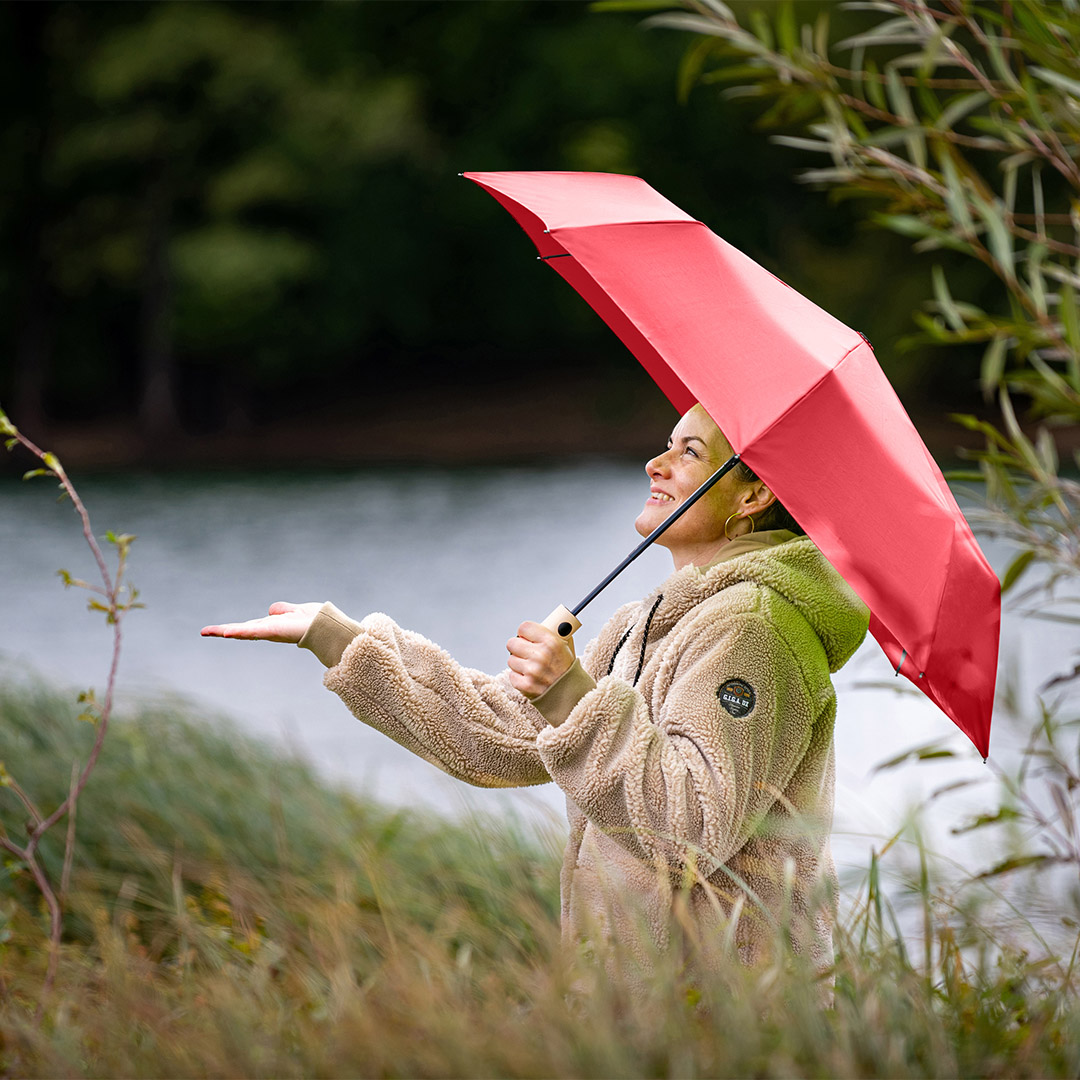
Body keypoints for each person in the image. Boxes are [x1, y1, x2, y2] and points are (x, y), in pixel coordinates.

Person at [201, 403, 869, 980]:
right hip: (634, 1010)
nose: (655, 464)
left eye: (688, 452)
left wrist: (571, 693)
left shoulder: (753, 630)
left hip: (724, 1021)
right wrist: (337, 637)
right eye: (666, 445)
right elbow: (500, 739)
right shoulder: (646, 623)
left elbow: (688, 829)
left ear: (751, 496)